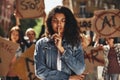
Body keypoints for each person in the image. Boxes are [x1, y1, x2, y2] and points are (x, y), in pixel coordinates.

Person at [34, 6, 85, 80]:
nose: (59, 24)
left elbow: (80, 69)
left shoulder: (75, 42)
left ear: (68, 23)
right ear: (50, 22)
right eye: (55, 21)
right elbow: (40, 71)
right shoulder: (41, 44)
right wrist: (67, 78)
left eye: (63, 21)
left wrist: (62, 50)